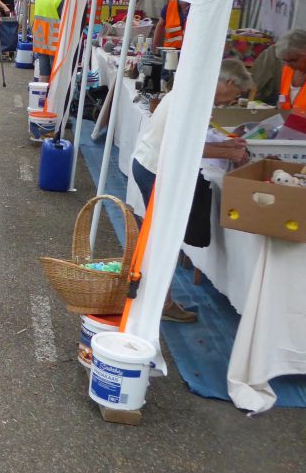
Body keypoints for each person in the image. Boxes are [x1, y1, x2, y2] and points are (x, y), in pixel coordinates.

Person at [130, 59, 253, 323]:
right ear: (229, 83)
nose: (234, 100)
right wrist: (228, 151)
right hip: (156, 170)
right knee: (164, 240)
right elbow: (185, 145)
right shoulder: (196, 99)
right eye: (237, 94)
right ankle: (159, 303)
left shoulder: (193, 91)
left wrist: (228, 149)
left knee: (159, 237)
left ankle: (157, 298)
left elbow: (189, 142)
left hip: (150, 165)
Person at [30, 0, 71, 83]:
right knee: (55, 75)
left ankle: (41, 98)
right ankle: (52, 100)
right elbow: (66, 20)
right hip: (55, 41)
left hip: (40, 39)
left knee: (43, 74)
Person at [273, 29, 306, 112]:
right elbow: (283, 100)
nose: (288, 65)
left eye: (293, 60)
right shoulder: (288, 69)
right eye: (285, 61)